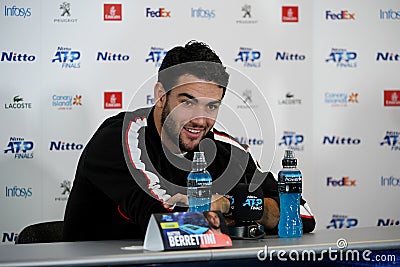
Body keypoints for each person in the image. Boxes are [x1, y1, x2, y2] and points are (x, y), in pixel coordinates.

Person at [63, 40, 315, 241]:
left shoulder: (226, 150)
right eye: (187, 102)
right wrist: (231, 213)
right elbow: (167, 221)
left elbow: (301, 214)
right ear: (161, 95)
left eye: (212, 106)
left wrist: (232, 205)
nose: (200, 119)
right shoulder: (121, 138)